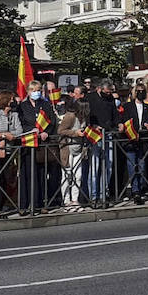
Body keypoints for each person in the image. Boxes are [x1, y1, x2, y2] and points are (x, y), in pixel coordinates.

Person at [16, 81, 58, 214]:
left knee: (41, 174)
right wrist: (31, 130)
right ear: (28, 91)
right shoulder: (22, 106)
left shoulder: (45, 104)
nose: (36, 92)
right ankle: (25, 204)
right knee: (27, 174)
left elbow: (52, 121)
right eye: (33, 90)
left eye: (38, 90)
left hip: (42, 145)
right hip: (28, 144)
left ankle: (41, 203)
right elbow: (20, 122)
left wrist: (46, 132)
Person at [57, 99, 88, 211]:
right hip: (68, 148)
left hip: (78, 149)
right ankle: (66, 200)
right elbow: (60, 130)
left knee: (78, 176)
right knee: (67, 175)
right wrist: (75, 133)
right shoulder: (70, 117)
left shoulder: (84, 118)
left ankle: (75, 200)